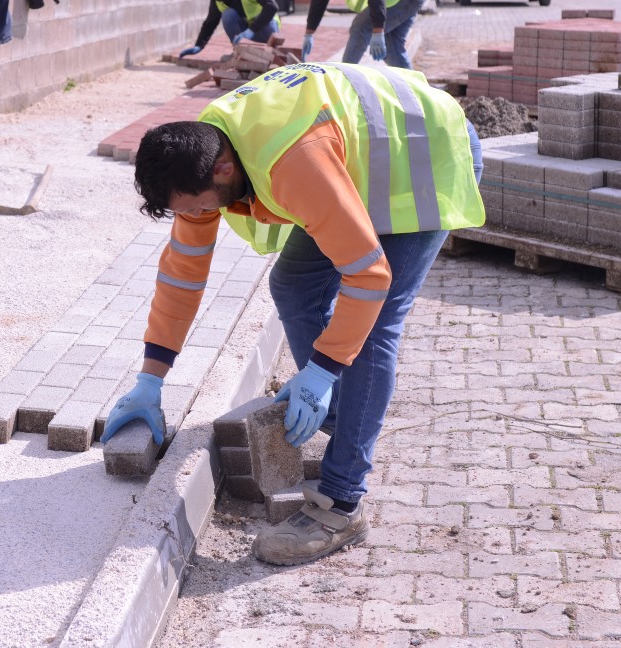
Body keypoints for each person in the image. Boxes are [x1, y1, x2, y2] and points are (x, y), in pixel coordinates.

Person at [101, 60, 485, 566]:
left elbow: (368, 277)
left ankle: (341, 504)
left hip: (420, 154)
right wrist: (151, 380)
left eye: (196, 208)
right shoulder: (206, 153)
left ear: (222, 171)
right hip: (353, 161)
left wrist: (322, 370)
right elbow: (183, 275)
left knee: (371, 330)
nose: (196, 219)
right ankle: (349, 419)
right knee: (294, 283)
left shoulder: (289, 162)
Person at [176, 0, 281, 59]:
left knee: (269, 23)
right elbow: (210, 22)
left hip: (265, 30)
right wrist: (199, 45)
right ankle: (239, 54)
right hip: (245, 34)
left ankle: (271, 54)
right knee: (228, 15)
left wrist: (252, 30)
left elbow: (272, 6)